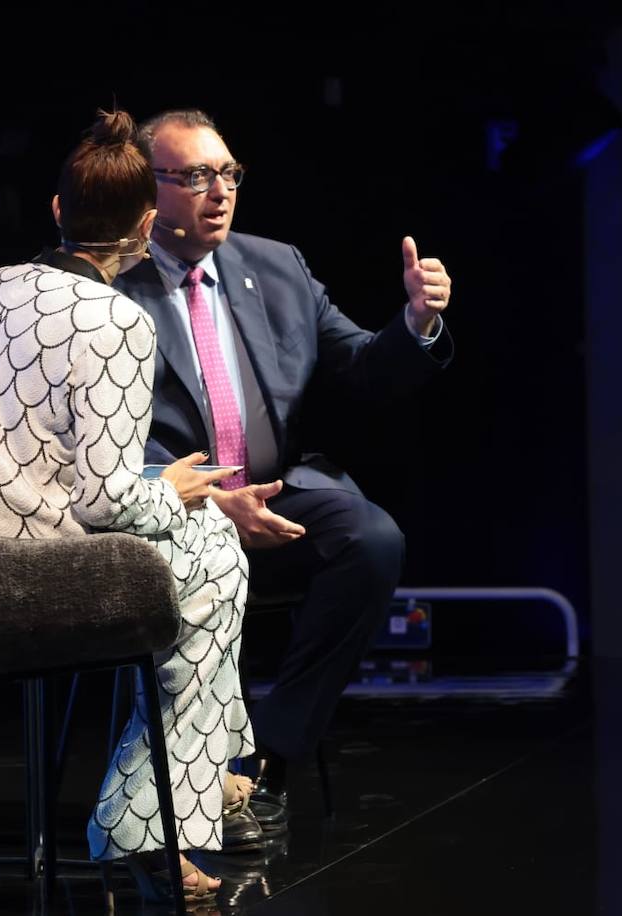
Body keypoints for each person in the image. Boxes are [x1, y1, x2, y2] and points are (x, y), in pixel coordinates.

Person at [0, 109, 255, 903]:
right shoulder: (117, 321)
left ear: (59, 210)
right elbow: (108, 508)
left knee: (197, 538)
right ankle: (144, 826)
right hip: (28, 586)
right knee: (214, 552)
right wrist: (166, 489)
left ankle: (210, 767)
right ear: (146, 226)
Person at [115, 109, 454, 818]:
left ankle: (270, 754)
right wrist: (204, 500)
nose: (222, 191)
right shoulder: (111, 285)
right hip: (169, 515)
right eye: (198, 176)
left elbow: (362, 370)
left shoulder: (275, 265)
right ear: (149, 190)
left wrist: (416, 322)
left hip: (275, 495)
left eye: (230, 172)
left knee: (371, 539)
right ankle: (175, 787)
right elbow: (108, 435)